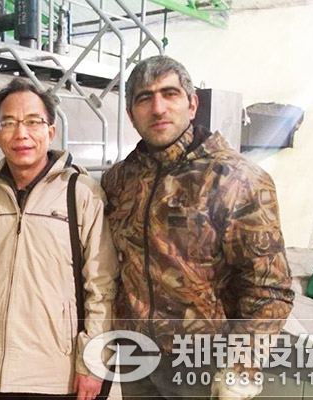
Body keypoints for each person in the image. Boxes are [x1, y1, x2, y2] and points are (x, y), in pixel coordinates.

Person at [101, 55, 294, 400]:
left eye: (169, 94)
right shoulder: (119, 180)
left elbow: (269, 287)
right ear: (130, 114)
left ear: (192, 105)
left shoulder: (237, 180)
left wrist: (244, 365)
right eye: (144, 98)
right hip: (136, 357)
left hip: (204, 365)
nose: (158, 108)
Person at [0, 78, 118, 400]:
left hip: (60, 375)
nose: (21, 134)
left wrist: (93, 361)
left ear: (50, 132)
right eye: (9, 123)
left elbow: (102, 285)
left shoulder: (81, 194)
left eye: (33, 122)